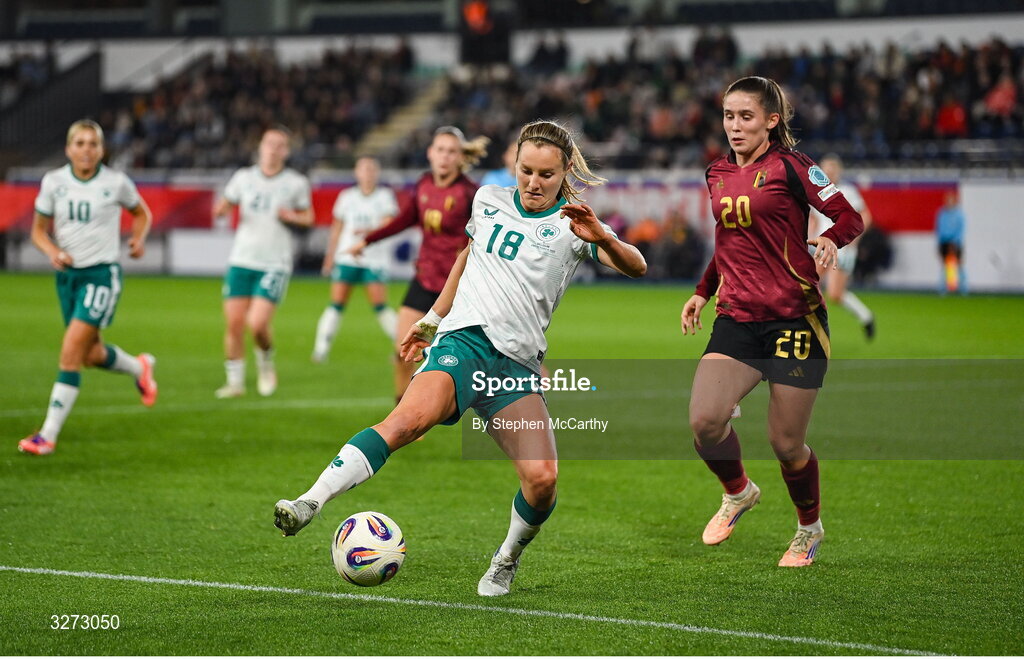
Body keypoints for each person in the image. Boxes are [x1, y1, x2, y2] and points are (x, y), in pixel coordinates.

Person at [274, 120, 646, 596]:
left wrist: (603, 237)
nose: (533, 183)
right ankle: (310, 500)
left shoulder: (575, 224)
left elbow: (638, 266)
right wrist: (432, 318)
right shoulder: (488, 200)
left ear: (565, 171)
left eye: (546, 175)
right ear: (514, 165)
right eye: (525, 170)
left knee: (543, 480)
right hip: (463, 343)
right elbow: (467, 257)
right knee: (407, 421)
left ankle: (506, 558)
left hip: (516, 367)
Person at [680, 76, 864, 567]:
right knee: (705, 421)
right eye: (728, 116)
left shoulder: (793, 166)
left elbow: (848, 217)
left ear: (770, 120)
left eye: (746, 117)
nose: (735, 126)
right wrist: (703, 292)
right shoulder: (716, 172)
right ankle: (738, 492)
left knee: (786, 444)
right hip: (737, 318)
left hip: (794, 320)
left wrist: (831, 240)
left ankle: (809, 528)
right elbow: (729, 242)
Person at [19, 119, 157, 456]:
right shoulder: (54, 182)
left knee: (70, 353)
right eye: (79, 143)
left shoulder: (115, 182)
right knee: (91, 354)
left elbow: (142, 214)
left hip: (101, 276)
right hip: (68, 277)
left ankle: (47, 436)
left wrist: (138, 239)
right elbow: (38, 230)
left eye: (92, 144)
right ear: (69, 149)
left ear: (100, 149)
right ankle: (140, 367)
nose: (86, 150)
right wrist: (52, 251)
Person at [347, 126, 487, 403]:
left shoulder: (471, 193)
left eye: (452, 151)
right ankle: (403, 409)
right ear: (430, 153)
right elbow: (405, 219)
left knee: (457, 361)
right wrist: (368, 240)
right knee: (403, 350)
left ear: (461, 157)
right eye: (440, 150)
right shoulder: (423, 184)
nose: (445, 156)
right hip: (424, 279)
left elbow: (483, 237)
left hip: (458, 287)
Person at [213, 126, 313, 399]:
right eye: (269, 143)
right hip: (241, 259)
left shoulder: (295, 182)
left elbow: (308, 217)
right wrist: (221, 209)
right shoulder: (243, 178)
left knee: (256, 324)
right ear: (260, 146)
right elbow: (224, 204)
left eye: (280, 145)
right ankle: (234, 383)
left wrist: (292, 216)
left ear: (287, 151)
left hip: (274, 262)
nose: (273, 149)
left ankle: (266, 361)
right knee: (234, 324)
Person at [312, 156, 400, 363]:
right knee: (336, 303)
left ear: (376, 173)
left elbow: (389, 225)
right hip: (348, 256)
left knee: (380, 305)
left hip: (374, 258)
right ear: (357, 173)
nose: (368, 173)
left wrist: (369, 232)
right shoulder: (347, 196)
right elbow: (337, 229)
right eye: (364, 169)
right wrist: (330, 256)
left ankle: (401, 348)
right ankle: (320, 350)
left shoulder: (385, 196)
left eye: (371, 169)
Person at [808, 154, 875, 339]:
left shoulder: (847, 191)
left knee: (835, 294)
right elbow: (814, 219)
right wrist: (809, 238)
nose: (828, 173)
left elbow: (865, 217)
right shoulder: (817, 191)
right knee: (808, 286)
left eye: (832, 170)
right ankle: (809, 328)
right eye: (825, 170)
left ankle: (866, 317)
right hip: (821, 247)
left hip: (841, 248)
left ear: (839, 172)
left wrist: (853, 242)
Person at [935, 189, 966, 294]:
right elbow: (939, 228)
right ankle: (943, 289)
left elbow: (961, 229)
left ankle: (963, 289)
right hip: (944, 242)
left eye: (951, 200)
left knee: (958, 265)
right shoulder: (942, 213)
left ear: (954, 201)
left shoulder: (959, 214)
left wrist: (954, 241)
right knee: (945, 265)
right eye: (947, 200)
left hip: (955, 243)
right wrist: (940, 242)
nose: (948, 202)